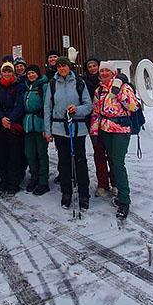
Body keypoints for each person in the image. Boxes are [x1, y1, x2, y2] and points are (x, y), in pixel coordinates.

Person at [91, 61, 140, 220]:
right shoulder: (99, 90)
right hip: (105, 129)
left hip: (120, 130)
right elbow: (96, 112)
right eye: (102, 71)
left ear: (113, 73)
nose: (104, 73)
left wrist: (118, 92)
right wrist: (94, 131)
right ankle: (117, 191)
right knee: (112, 160)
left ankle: (124, 199)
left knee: (118, 163)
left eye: (107, 71)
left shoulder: (124, 87)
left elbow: (133, 106)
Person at [43, 56, 92, 211]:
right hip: (59, 128)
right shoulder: (52, 84)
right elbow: (47, 108)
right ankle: (66, 192)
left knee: (80, 162)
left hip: (77, 128)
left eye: (64, 66)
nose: (62, 69)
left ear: (69, 67)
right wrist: (48, 130)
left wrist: (77, 109)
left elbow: (88, 105)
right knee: (64, 162)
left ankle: (84, 194)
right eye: (59, 66)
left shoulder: (79, 82)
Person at [83, 56, 115, 198]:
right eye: (89, 67)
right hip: (94, 122)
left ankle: (115, 182)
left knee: (113, 154)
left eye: (94, 66)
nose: (92, 69)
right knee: (99, 153)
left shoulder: (113, 82)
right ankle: (102, 183)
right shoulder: (84, 82)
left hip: (111, 124)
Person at [0, 62, 26, 195]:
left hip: (14, 124)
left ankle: (14, 182)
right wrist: (2, 118)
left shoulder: (19, 86)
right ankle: (4, 181)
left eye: (9, 71)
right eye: (4, 71)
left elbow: (20, 105)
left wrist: (10, 119)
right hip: (1, 124)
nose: (7, 74)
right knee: (2, 154)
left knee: (14, 155)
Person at [22, 64, 49, 195]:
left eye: (33, 73)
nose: (31, 75)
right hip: (28, 124)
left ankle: (43, 181)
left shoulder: (43, 86)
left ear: (38, 74)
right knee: (30, 153)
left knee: (41, 153)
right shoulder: (26, 87)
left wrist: (46, 127)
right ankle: (34, 177)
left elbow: (47, 107)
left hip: (40, 123)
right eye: (29, 73)